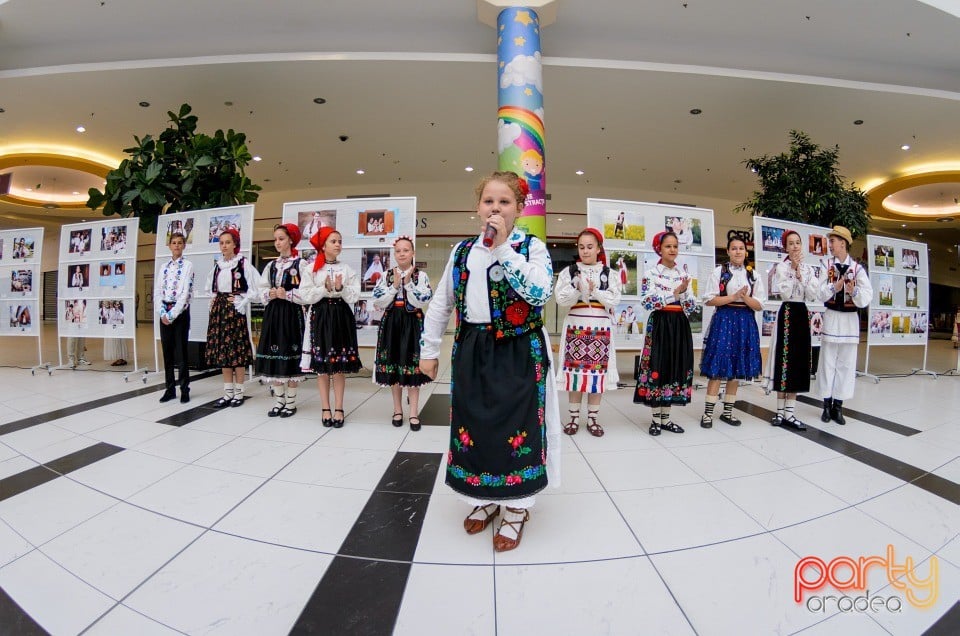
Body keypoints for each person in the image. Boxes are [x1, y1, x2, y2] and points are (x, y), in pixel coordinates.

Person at [420, 171, 559, 553]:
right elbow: (441, 303)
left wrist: (502, 250)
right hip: (472, 346)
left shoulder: (531, 247)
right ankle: (483, 495)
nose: (495, 209)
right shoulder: (463, 251)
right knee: (475, 422)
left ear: (518, 209)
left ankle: (515, 507)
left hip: (518, 348)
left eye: (504, 202)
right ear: (477, 207)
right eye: (488, 202)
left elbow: (539, 292)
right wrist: (428, 350)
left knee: (517, 426)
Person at [555, 228, 621, 437]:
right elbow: (561, 299)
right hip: (576, 325)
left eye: (590, 247)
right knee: (575, 374)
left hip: (600, 327)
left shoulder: (610, 274)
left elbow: (614, 300)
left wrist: (595, 292)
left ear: (598, 248)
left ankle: (593, 419)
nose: (585, 251)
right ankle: (573, 418)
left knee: (597, 376)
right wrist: (577, 289)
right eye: (581, 247)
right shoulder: (569, 271)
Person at [633, 231, 697, 436]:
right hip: (660, 323)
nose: (672, 250)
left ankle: (666, 419)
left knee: (674, 367)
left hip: (679, 323)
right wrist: (674, 294)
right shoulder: (650, 273)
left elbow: (692, 306)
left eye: (675, 246)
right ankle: (655, 419)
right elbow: (647, 302)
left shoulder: (684, 274)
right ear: (659, 249)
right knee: (658, 365)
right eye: (668, 246)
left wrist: (685, 292)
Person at [699, 237, 765, 428]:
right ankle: (708, 414)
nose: (738, 252)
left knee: (737, 366)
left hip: (745, 321)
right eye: (734, 248)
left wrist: (744, 298)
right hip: (724, 319)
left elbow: (759, 305)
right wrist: (734, 296)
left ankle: (728, 412)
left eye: (741, 248)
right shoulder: (720, 272)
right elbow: (709, 300)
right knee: (718, 367)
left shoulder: (753, 275)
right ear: (727, 251)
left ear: (746, 252)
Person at [372, 235, 433, 431]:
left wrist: (407, 284)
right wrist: (395, 286)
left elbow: (422, 300)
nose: (402, 254)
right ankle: (397, 410)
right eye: (398, 251)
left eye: (406, 250)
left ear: (413, 253)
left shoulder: (420, 276)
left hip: (412, 323)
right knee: (394, 367)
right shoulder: (386, 275)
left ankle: (413, 412)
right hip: (391, 323)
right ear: (394, 254)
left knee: (412, 367)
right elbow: (379, 300)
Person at [301, 227, 361, 427]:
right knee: (323, 367)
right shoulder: (311, 269)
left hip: (341, 316)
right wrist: (323, 288)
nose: (338, 244)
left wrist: (341, 288)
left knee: (339, 367)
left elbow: (355, 295)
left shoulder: (346, 269)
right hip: (320, 317)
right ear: (323, 245)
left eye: (340, 241)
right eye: (334, 241)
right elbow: (305, 295)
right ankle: (325, 407)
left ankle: (339, 407)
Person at [815, 226, 872, 425]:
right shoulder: (825, 265)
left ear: (843, 243)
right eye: (830, 241)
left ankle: (838, 406)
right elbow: (819, 292)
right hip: (831, 318)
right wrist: (834, 287)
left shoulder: (857, 269)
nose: (830, 245)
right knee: (827, 363)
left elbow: (866, 297)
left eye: (833, 241)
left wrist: (854, 291)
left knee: (846, 365)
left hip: (849, 322)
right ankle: (826, 405)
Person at [764, 230, 818, 430]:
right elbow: (784, 292)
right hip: (787, 312)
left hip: (802, 312)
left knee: (798, 361)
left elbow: (812, 293)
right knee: (783, 360)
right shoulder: (781, 267)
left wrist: (800, 273)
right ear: (785, 247)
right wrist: (792, 269)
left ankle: (790, 413)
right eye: (791, 243)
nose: (795, 247)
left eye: (798, 243)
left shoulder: (809, 268)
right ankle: (779, 412)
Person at [255, 224, 309, 417]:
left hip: (292, 314)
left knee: (290, 354)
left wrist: (288, 294)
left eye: (281, 239)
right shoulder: (271, 266)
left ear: (291, 240)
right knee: (274, 355)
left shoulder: (301, 265)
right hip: (273, 314)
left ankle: (291, 403)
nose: (277, 243)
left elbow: (307, 293)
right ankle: (279, 401)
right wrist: (268, 293)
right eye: (276, 239)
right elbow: (260, 289)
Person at [205, 228, 259, 407]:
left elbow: (256, 288)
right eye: (221, 243)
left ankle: (239, 392)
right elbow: (211, 288)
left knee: (237, 352)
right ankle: (228, 393)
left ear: (235, 244)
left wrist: (241, 300)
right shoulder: (217, 265)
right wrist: (213, 301)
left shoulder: (243, 264)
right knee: (224, 353)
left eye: (228, 242)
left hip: (235, 312)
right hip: (220, 312)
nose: (224, 246)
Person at [156, 232, 194, 402]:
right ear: (169, 246)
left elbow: (186, 293)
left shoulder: (188, 266)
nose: (177, 245)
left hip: (180, 313)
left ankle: (184, 389)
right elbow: (157, 291)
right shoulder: (163, 267)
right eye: (174, 243)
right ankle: (169, 389)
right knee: (167, 353)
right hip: (164, 312)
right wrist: (162, 313)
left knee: (181, 353)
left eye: (180, 243)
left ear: (184, 246)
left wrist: (172, 314)